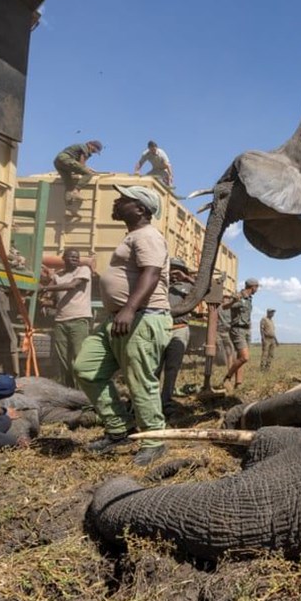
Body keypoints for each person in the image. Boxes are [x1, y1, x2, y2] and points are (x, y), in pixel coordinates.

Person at [73, 184, 171, 466]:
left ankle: (154, 441)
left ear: (140, 208)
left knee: (140, 381)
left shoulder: (148, 235)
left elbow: (151, 273)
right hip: (119, 318)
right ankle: (119, 429)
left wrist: (129, 308)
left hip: (142, 316)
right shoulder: (132, 236)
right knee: (87, 369)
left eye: (123, 199)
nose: (116, 202)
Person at [42, 248, 92, 388]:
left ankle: (83, 391)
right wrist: (44, 302)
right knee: (63, 358)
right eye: (72, 257)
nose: (75, 259)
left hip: (79, 320)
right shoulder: (58, 276)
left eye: (77, 257)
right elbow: (55, 300)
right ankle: (69, 389)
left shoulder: (83, 270)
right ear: (64, 259)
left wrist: (45, 288)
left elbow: (72, 286)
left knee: (79, 359)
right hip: (60, 321)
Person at [156, 258, 194, 413]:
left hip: (179, 329)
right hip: (160, 328)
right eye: (171, 269)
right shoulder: (160, 284)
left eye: (177, 270)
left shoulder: (189, 286)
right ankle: (151, 400)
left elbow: (208, 289)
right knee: (155, 367)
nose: (173, 273)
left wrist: (187, 278)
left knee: (172, 367)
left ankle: (166, 400)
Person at [221, 278, 259, 390]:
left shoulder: (249, 299)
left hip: (245, 330)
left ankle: (238, 384)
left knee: (240, 358)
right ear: (253, 287)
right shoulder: (238, 295)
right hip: (237, 330)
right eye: (257, 287)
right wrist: (233, 301)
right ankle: (227, 378)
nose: (257, 289)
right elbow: (225, 306)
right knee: (244, 357)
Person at [53, 140, 102, 218]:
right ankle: (76, 191)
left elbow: (79, 164)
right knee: (88, 174)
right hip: (66, 159)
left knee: (69, 187)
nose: (94, 152)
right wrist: (86, 169)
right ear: (90, 145)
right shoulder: (84, 147)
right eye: (94, 150)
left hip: (59, 163)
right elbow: (81, 163)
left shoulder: (79, 147)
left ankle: (68, 209)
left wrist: (85, 168)